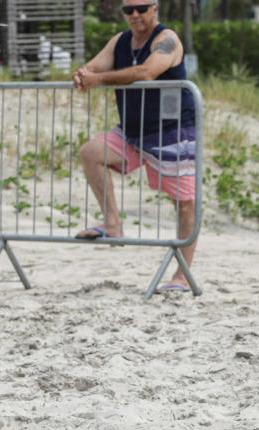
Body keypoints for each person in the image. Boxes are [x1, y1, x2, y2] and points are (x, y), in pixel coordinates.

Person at [72, 0, 197, 291]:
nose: (135, 15)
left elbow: (146, 72)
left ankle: (182, 276)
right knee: (91, 153)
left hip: (172, 133)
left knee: (185, 205)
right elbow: (92, 67)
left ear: (155, 8)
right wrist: (82, 75)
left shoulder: (167, 39)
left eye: (141, 8)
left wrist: (96, 79)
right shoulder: (120, 41)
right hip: (133, 132)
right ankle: (112, 224)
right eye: (128, 10)